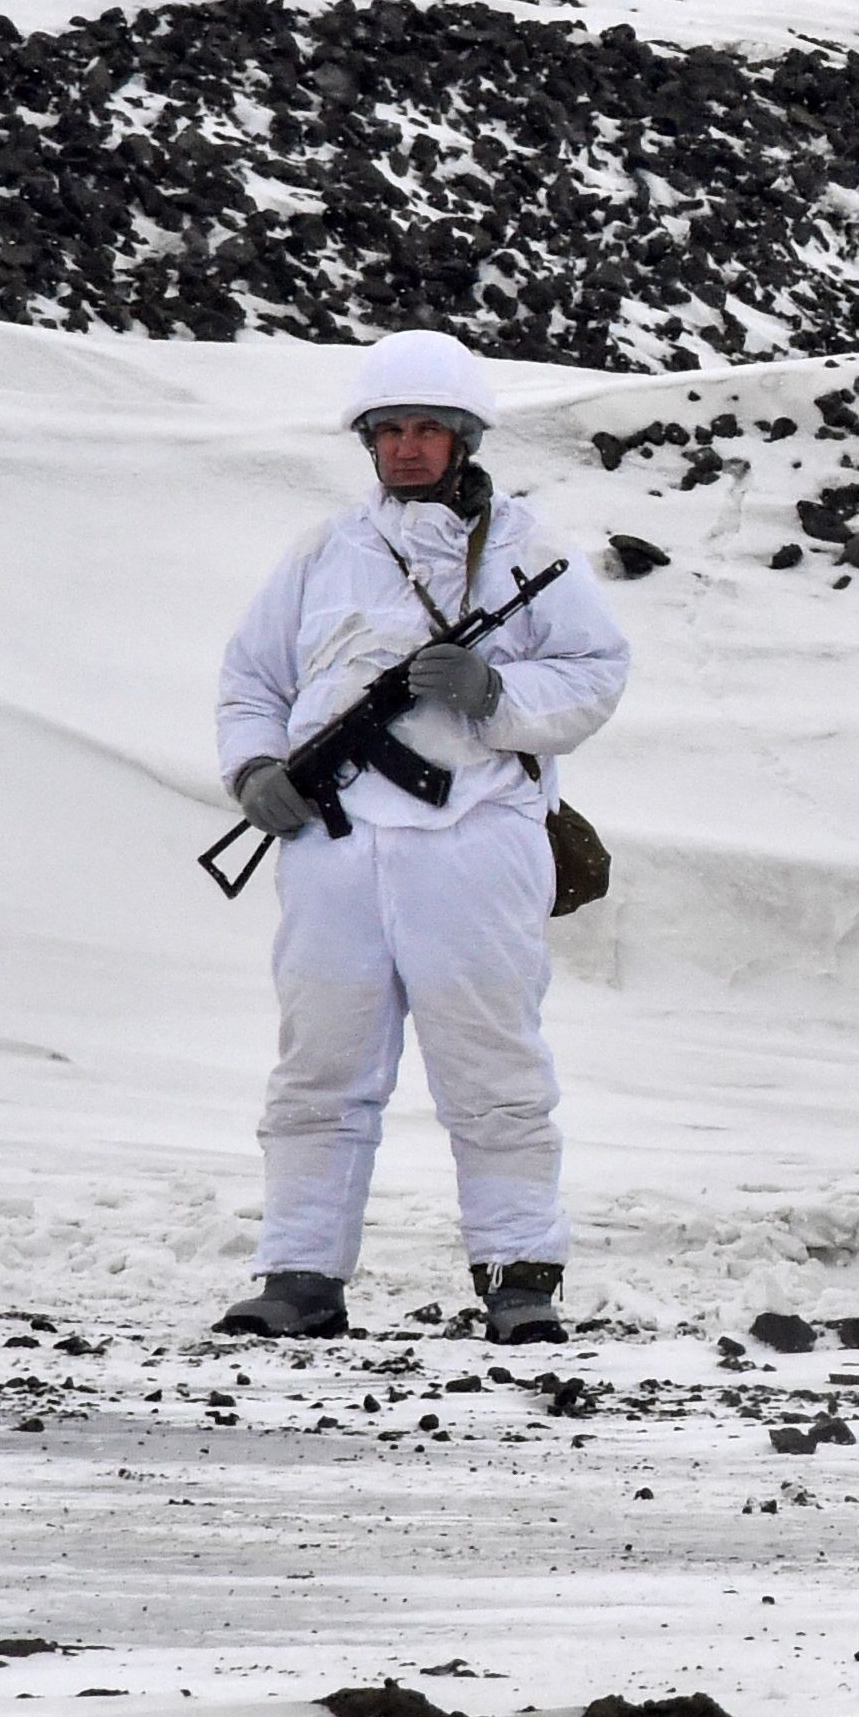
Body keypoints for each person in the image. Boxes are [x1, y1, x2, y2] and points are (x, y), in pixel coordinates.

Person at [211, 328, 631, 1343]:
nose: (406, 447)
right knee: (319, 1067)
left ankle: (520, 1273)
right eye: (388, 428)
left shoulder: (527, 551)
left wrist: (496, 691)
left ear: (462, 439)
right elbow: (252, 680)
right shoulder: (322, 550)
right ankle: (300, 1274)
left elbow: (594, 669)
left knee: (490, 1063)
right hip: (334, 844)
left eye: (425, 430)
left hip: (475, 835)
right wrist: (258, 769)